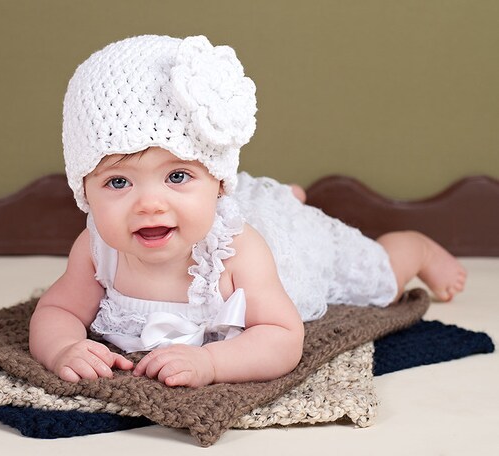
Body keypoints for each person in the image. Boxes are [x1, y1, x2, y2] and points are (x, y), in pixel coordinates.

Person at [29, 35, 466, 388]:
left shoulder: (239, 251)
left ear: (218, 183)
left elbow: (282, 338)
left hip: (293, 249)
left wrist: (211, 363)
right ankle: (280, 194)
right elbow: (56, 312)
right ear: (84, 190)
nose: (149, 204)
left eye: (177, 176)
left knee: (375, 279)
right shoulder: (96, 247)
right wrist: (64, 347)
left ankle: (414, 249)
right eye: (118, 182)